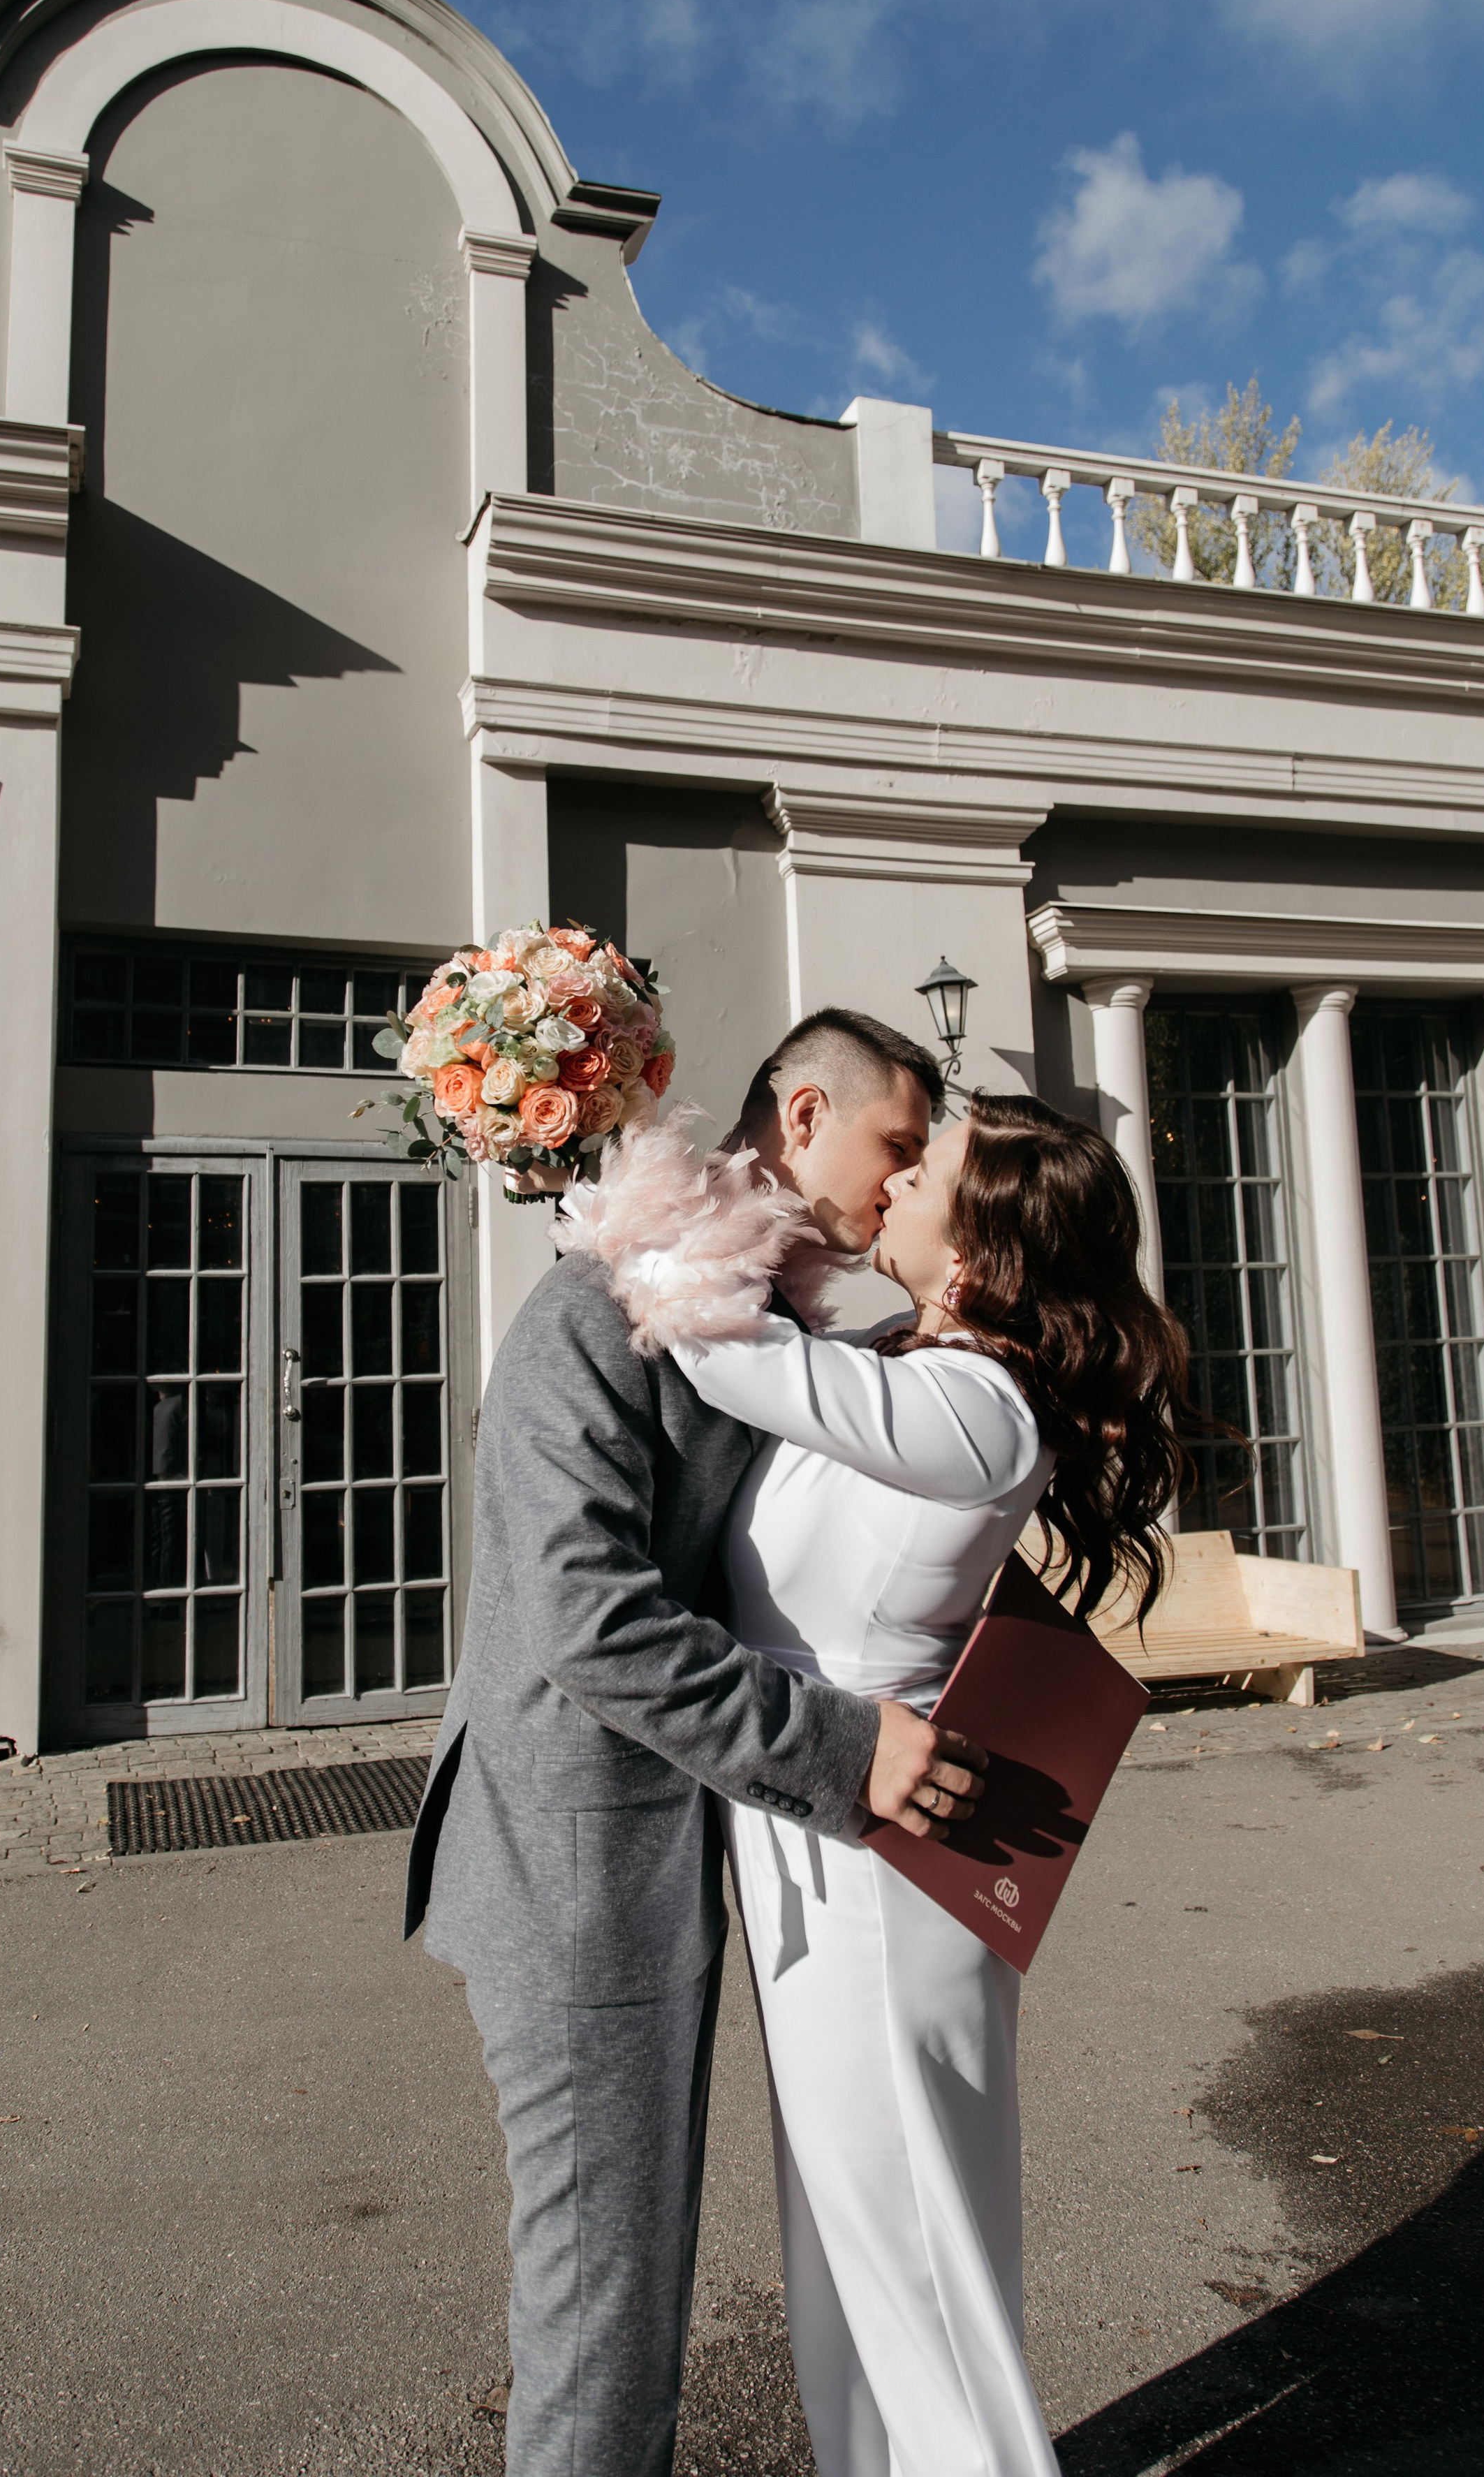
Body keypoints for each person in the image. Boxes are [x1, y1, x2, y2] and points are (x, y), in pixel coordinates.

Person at [402, 1007, 990, 2477]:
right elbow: (589, 1628)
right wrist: (841, 1745)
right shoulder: (593, 1317)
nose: (902, 1185)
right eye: (894, 1148)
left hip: (681, 1859)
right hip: (572, 1872)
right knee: (605, 2307)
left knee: (634, 2278)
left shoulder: (777, 1330)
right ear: (800, 1120)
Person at [616, 1092, 1189, 2477]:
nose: (899, 1167)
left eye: (926, 1164)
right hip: (814, 1831)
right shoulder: (900, 1356)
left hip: (887, 1876)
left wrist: (589, 1164)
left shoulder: (975, 1412)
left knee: (914, 2254)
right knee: (842, 2237)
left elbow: (720, 1350)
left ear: (980, 1256)